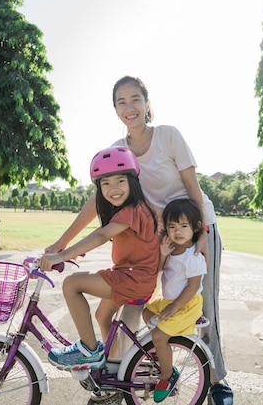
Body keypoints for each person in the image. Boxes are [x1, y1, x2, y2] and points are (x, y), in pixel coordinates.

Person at [45, 75, 233, 404]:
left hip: (195, 231)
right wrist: (62, 243)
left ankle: (216, 379)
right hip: (158, 238)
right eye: (121, 102)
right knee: (132, 305)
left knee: (203, 307)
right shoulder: (118, 152)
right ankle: (116, 382)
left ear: (147, 104)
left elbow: (193, 186)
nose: (129, 107)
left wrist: (201, 231)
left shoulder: (168, 136)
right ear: (116, 110)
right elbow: (96, 205)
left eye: (135, 99)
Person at [39, 146, 159, 374]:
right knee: (102, 315)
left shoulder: (133, 210)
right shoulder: (130, 209)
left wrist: (62, 255)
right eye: (105, 183)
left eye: (120, 181)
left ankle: (88, 350)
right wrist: (68, 249)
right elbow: (107, 235)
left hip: (133, 279)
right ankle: (112, 365)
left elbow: (102, 235)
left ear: (132, 182)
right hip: (133, 276)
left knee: (72, 284)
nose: (113, 188)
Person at [142, 199, 207, 402]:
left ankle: (167, 377)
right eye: (172, 226)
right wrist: (162, 254)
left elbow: (194, 286)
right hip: (168, 301)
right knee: (145, 312)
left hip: (186, 304)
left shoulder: (193, 256)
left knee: (159, 337)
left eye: (183, 226)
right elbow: (161, 270)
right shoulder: (172, 249)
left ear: (195, 227)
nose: (177, 231)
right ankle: (164, 353)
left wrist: (175, 307)